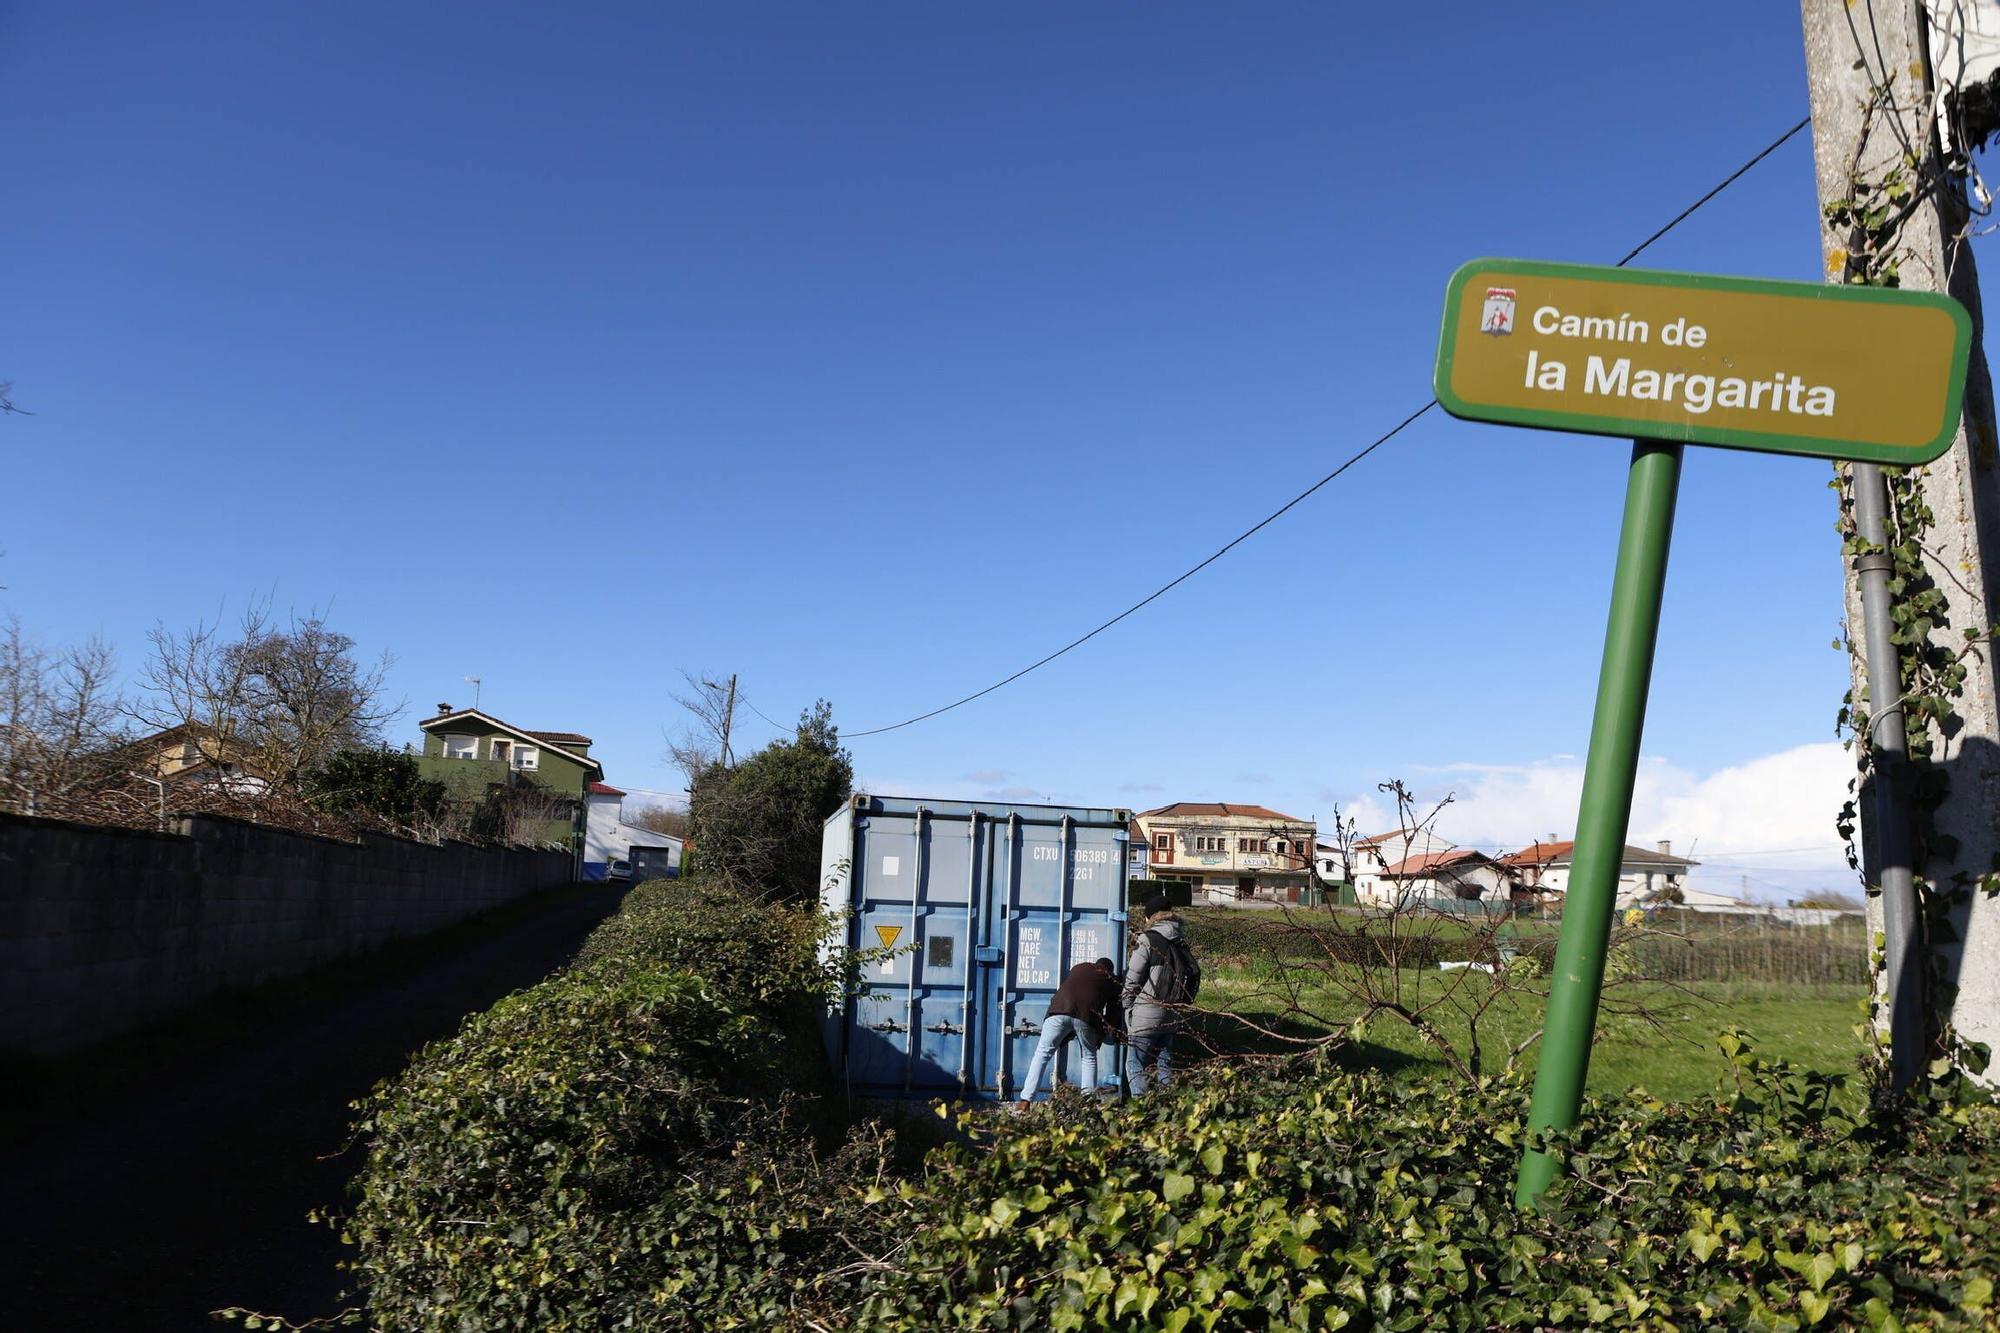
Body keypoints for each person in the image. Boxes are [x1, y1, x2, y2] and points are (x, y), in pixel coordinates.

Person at [1122, 893, 1201, 1094]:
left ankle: (1142, 1109)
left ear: (1151, 917)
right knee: (1163, 1065)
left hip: (1145, 1015)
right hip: (1171, 1015)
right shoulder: (1180, 942)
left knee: (1134, 1065)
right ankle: (1168, 1107)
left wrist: (1128, 1005)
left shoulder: (1148, 940)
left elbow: (1133, 977)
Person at [1016, 957, 1121, 1108]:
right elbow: (1113, 1010)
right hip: (1085, 1016)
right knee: (1089, 1057)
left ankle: (1025, 1100)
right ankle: (1087, 1104)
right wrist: (1107, 1032)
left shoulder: (1079, 967)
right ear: (1109, 970)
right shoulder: (1110, 979)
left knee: (1042, 1054)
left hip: (1057, 1011)